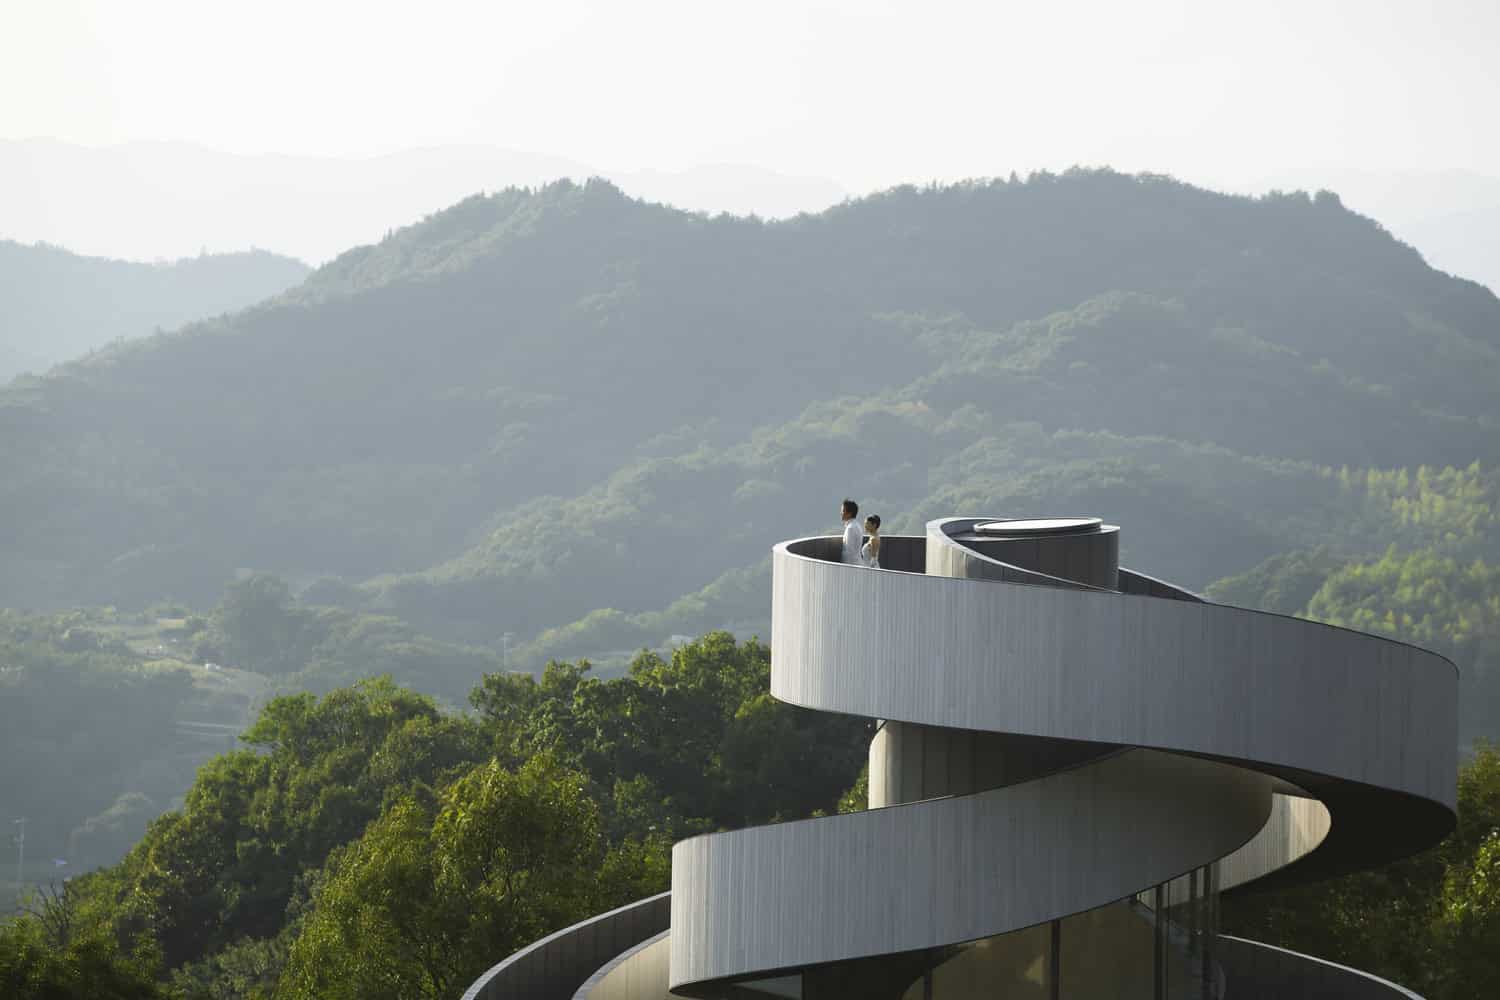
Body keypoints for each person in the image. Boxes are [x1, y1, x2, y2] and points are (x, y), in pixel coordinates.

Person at [840, 499, 863, 564]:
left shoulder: (850, 528)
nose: (841, 513)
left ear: (849, 513)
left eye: (843, 510)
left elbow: (849, 552)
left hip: (851, 566)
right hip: (856, 563)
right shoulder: (857, 525)